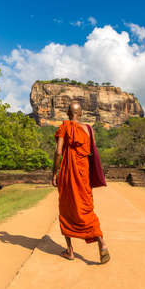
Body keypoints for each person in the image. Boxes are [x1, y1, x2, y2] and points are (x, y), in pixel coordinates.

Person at [52, 101, 110, 264]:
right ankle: (102, 243)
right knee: (85, 208)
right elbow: (93, 152)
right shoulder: (88, 129)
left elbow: (58, 152)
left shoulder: (65, 126)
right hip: (83, 173)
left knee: (65, 209)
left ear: (67, 112)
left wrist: (53, 173)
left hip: (68, 173)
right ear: (81, 113)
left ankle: (70, 251)